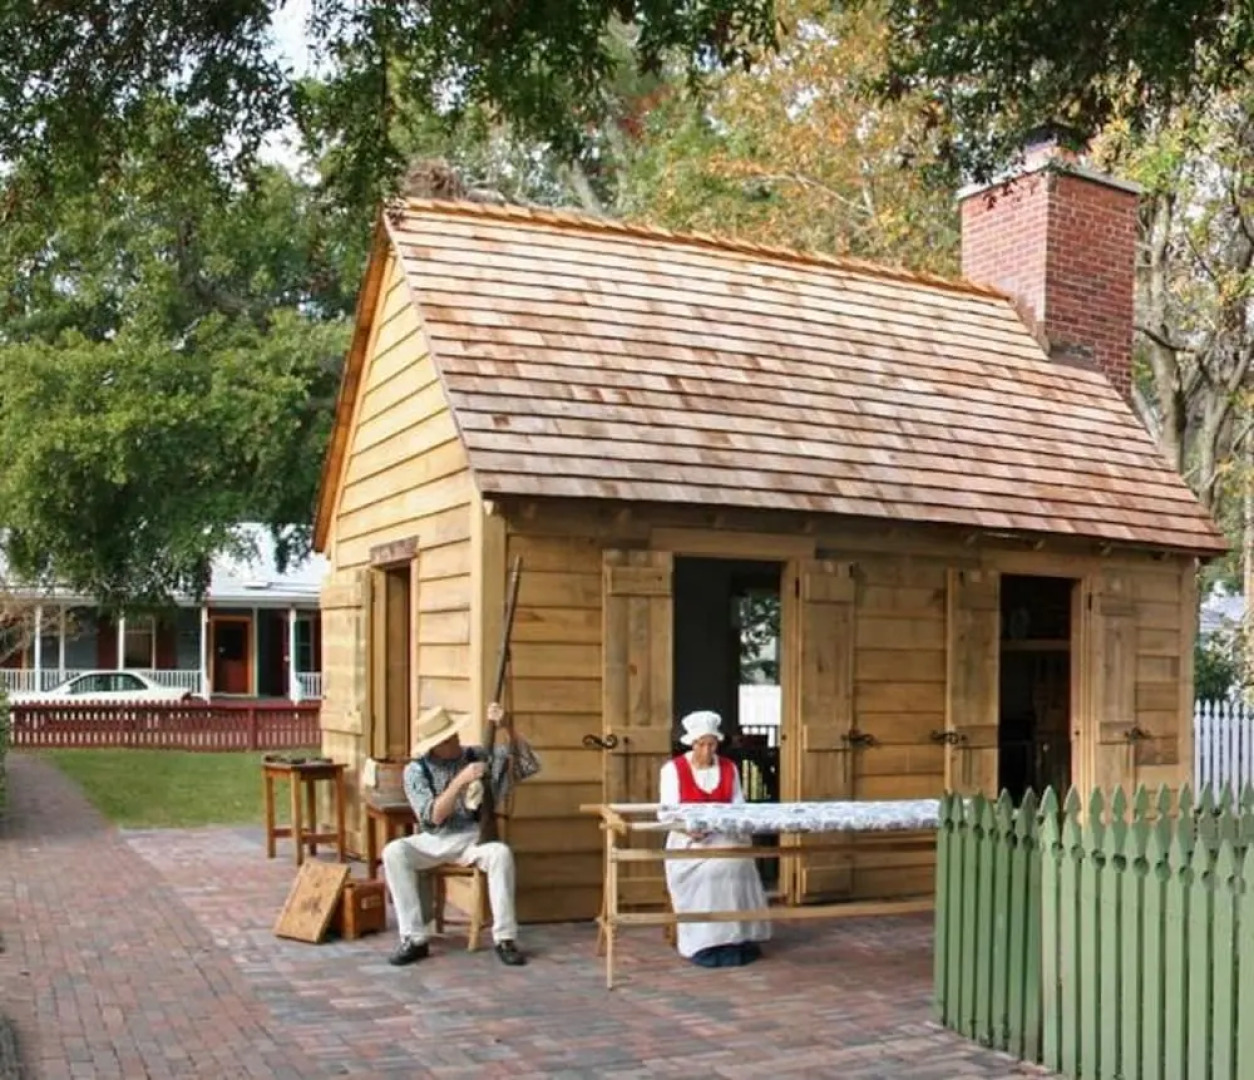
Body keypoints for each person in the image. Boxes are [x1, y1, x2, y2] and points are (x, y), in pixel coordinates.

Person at [382, 701, 540, 967]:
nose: (454, 742)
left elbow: (528, 765)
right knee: (394, 852)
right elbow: (432, 816)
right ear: (433, 747)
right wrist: (460, 781)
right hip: (434, 838)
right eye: (446, 740)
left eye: (454, 735)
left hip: (472, 837)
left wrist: (508, 728)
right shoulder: (415, 771)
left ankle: (505, 939)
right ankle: (414, 938)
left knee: (500, 854)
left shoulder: (478, 755)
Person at [658, 710, 771, 968]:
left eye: (711, 744)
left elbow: (738, 807)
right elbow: (667, 812)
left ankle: (739, 938)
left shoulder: (729, 768)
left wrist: (727, 825)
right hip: (689, 842)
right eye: (701, 744)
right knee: (716, 869)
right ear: (691, 743)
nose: (707, 750)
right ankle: (707, 941)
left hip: (724, 835)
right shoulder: (673, 770)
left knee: (737, 863)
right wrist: (690, 830)